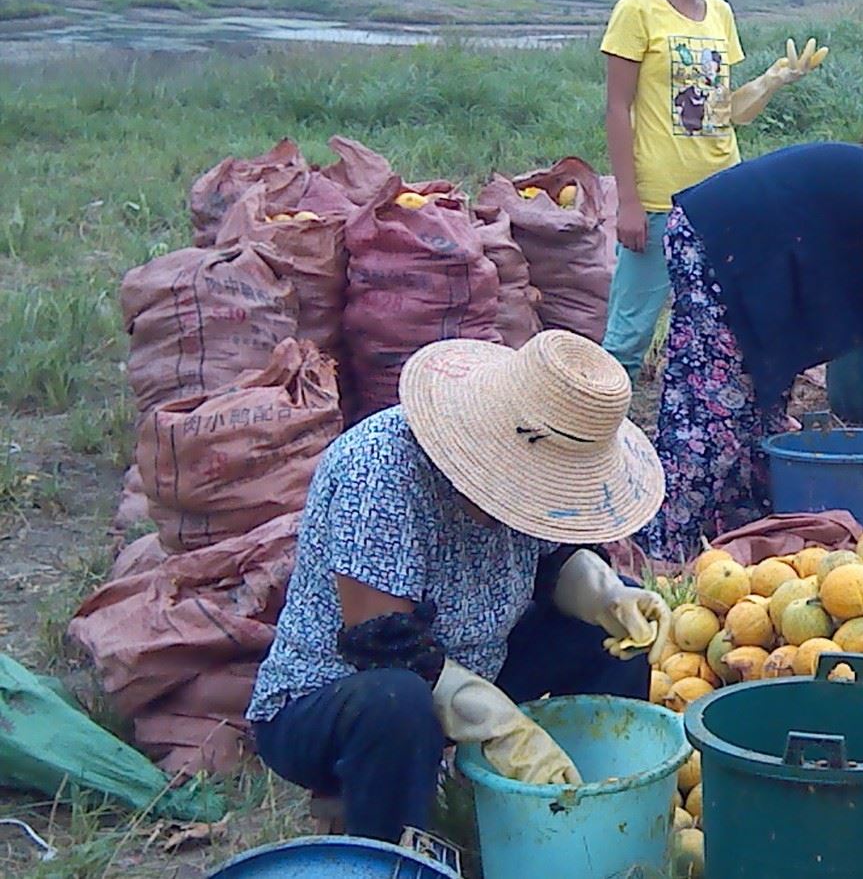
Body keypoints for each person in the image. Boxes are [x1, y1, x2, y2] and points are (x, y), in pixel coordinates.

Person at [247, 331, 672, 844]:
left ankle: (575, 814)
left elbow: (549, 563)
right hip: (341, 696)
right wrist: (505, 729)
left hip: (479, 663)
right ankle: (395, 860)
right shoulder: (380, 471)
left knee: (608, 642)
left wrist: (608, 597)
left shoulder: (536, 481)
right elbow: (381, 644)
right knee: (396, 701)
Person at [634, 140, 863, 562]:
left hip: (740, 248)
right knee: (711, 416)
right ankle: (661, 548)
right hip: (718, 243)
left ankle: (740, 531)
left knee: (759, 408)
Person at [601, 0, 827, 379]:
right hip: (661, 198)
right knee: (630, 331)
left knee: (729, 319)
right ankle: (593, 433)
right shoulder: (636, 11)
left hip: (723, 191)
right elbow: (618, 108)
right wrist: (629, 201)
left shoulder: (720, 14)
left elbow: (724, 109)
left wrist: (771, 81)